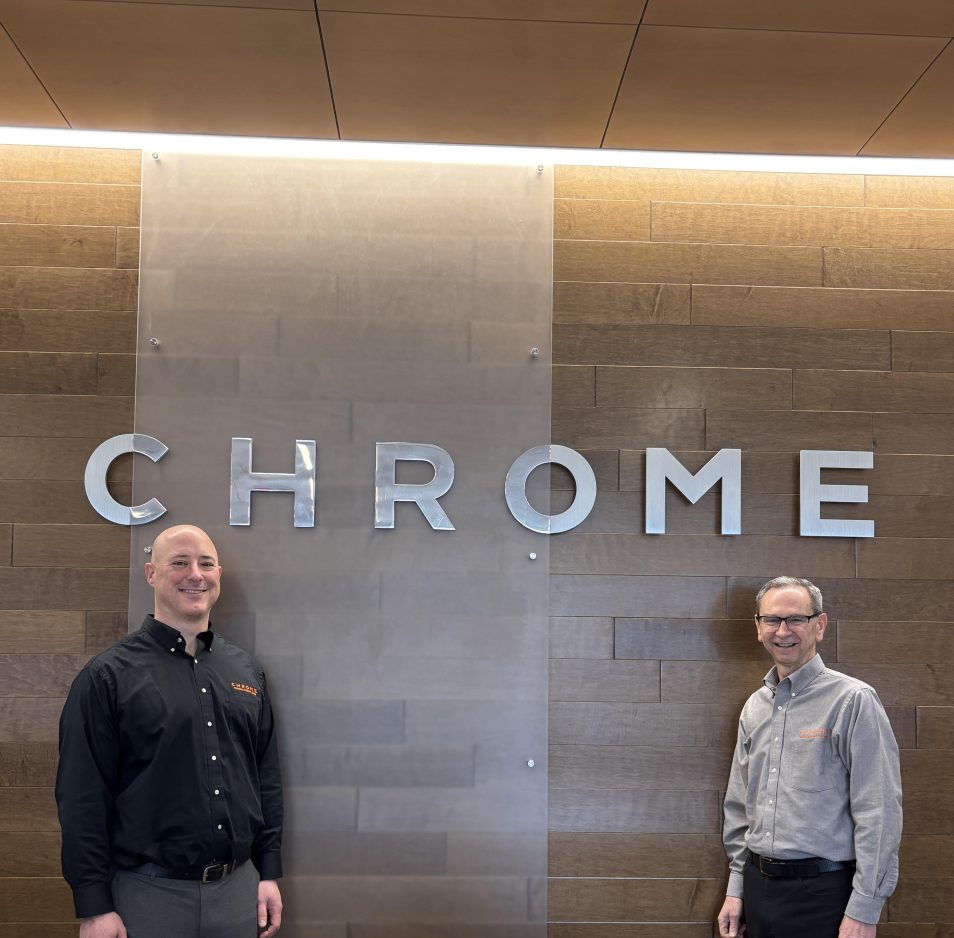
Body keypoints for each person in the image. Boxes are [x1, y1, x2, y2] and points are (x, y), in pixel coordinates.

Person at [56, 524, 283, 938]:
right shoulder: (107, 676)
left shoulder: (247, 671)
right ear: (151, 573)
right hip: (146, 897)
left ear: (218, 574)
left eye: (206, 564)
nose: (195, 574)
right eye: (179, 562)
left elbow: (263, 776)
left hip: (239, 893)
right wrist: (94, 906)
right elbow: (82, 795)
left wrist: (267, 871)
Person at [717, 576, 902, 938]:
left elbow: (878, 810)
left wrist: (865, 909)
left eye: (795, 619)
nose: (782, 630)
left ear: (819, 625)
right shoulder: (755, 707)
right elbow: (740, 805)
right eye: (772, 619)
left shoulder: (853, 700)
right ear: (758, 627)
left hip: (825, 895)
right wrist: (736, 888)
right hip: (757, 889)